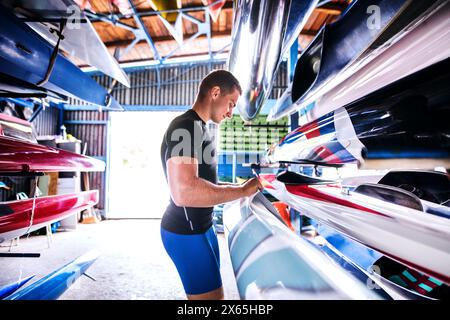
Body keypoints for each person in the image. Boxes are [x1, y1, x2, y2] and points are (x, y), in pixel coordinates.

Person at [160, 69, 262, 300]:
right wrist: (241, 191)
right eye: (231, 103)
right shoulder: (185, 126)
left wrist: (239, 187)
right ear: (215, 92)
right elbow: (184, 192)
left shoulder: (201, 128)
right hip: (185, 232)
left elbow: (202, 181)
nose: (231, 112)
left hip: (203, 228)